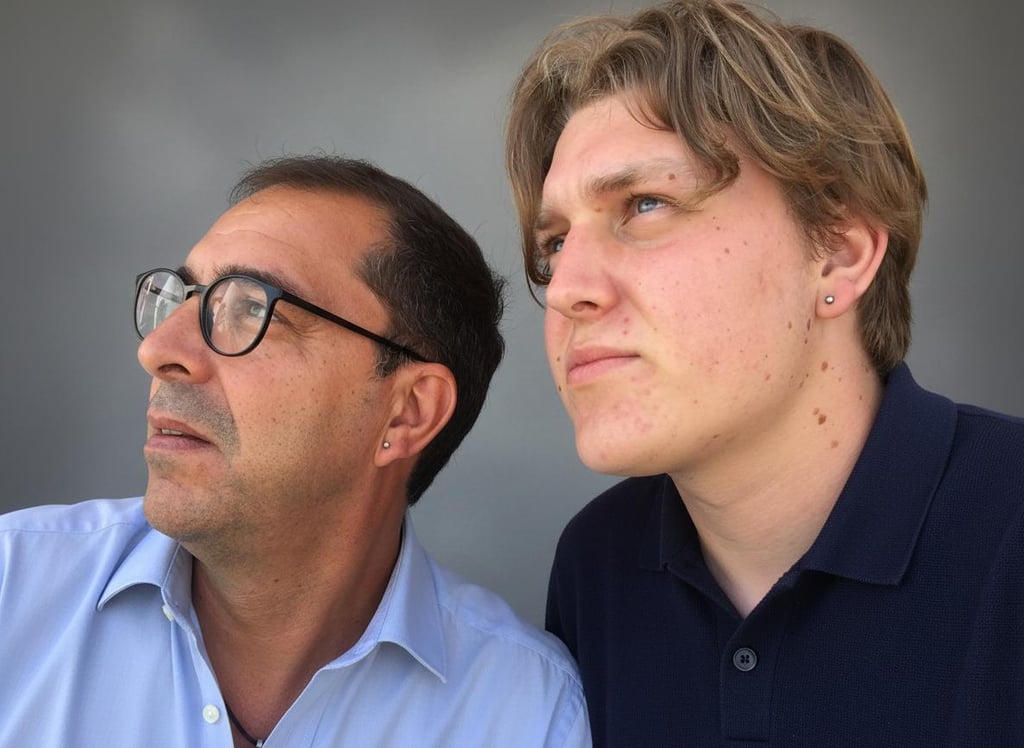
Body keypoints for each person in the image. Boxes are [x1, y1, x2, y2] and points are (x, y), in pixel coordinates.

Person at [505, 1, 1023, 745]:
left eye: (645, 204)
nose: (565, 289)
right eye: (554, 243)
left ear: (838, 255)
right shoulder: (600, 567)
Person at [0, 155, 589, 747]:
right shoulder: (12, 590)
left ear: (408, 411)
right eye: (180, 298)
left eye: (252, 307)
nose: (158, 350)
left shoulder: (528, 713)